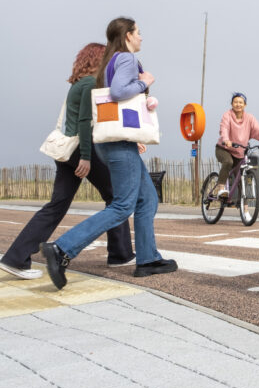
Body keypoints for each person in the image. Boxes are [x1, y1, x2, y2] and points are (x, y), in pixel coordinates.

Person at [41, 17, 177, 289]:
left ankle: (148, 259)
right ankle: (62, 249)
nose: (141, 37)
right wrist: (145, 82)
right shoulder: (125, 58)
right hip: (118, 143)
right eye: (138, 32)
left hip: (110, 140)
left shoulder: (109, 61)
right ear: (127, 35)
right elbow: (118, 92)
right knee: (122, 205)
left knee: (147, 198)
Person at [0, 43, 134, 279]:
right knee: (117, 197)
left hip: (66, 151)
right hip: (81, 148)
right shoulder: (90, 84)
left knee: (57, 205)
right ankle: (120, 254)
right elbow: (85, 123)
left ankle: (15, 258)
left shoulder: (76, 85)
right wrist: (86, 157)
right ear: (97, 60)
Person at [215, 92, 259, 198]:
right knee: (228, 162)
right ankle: (221, 187)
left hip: (239, 151)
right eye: (235, 102)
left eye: (241, 102)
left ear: (245, 105)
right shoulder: (227, 115)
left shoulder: (250, 118)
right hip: (223, 149)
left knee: (240, 179)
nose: (238, 104)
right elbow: (224, 128)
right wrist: (226, 139)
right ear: (232, 104)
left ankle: (245, 209)